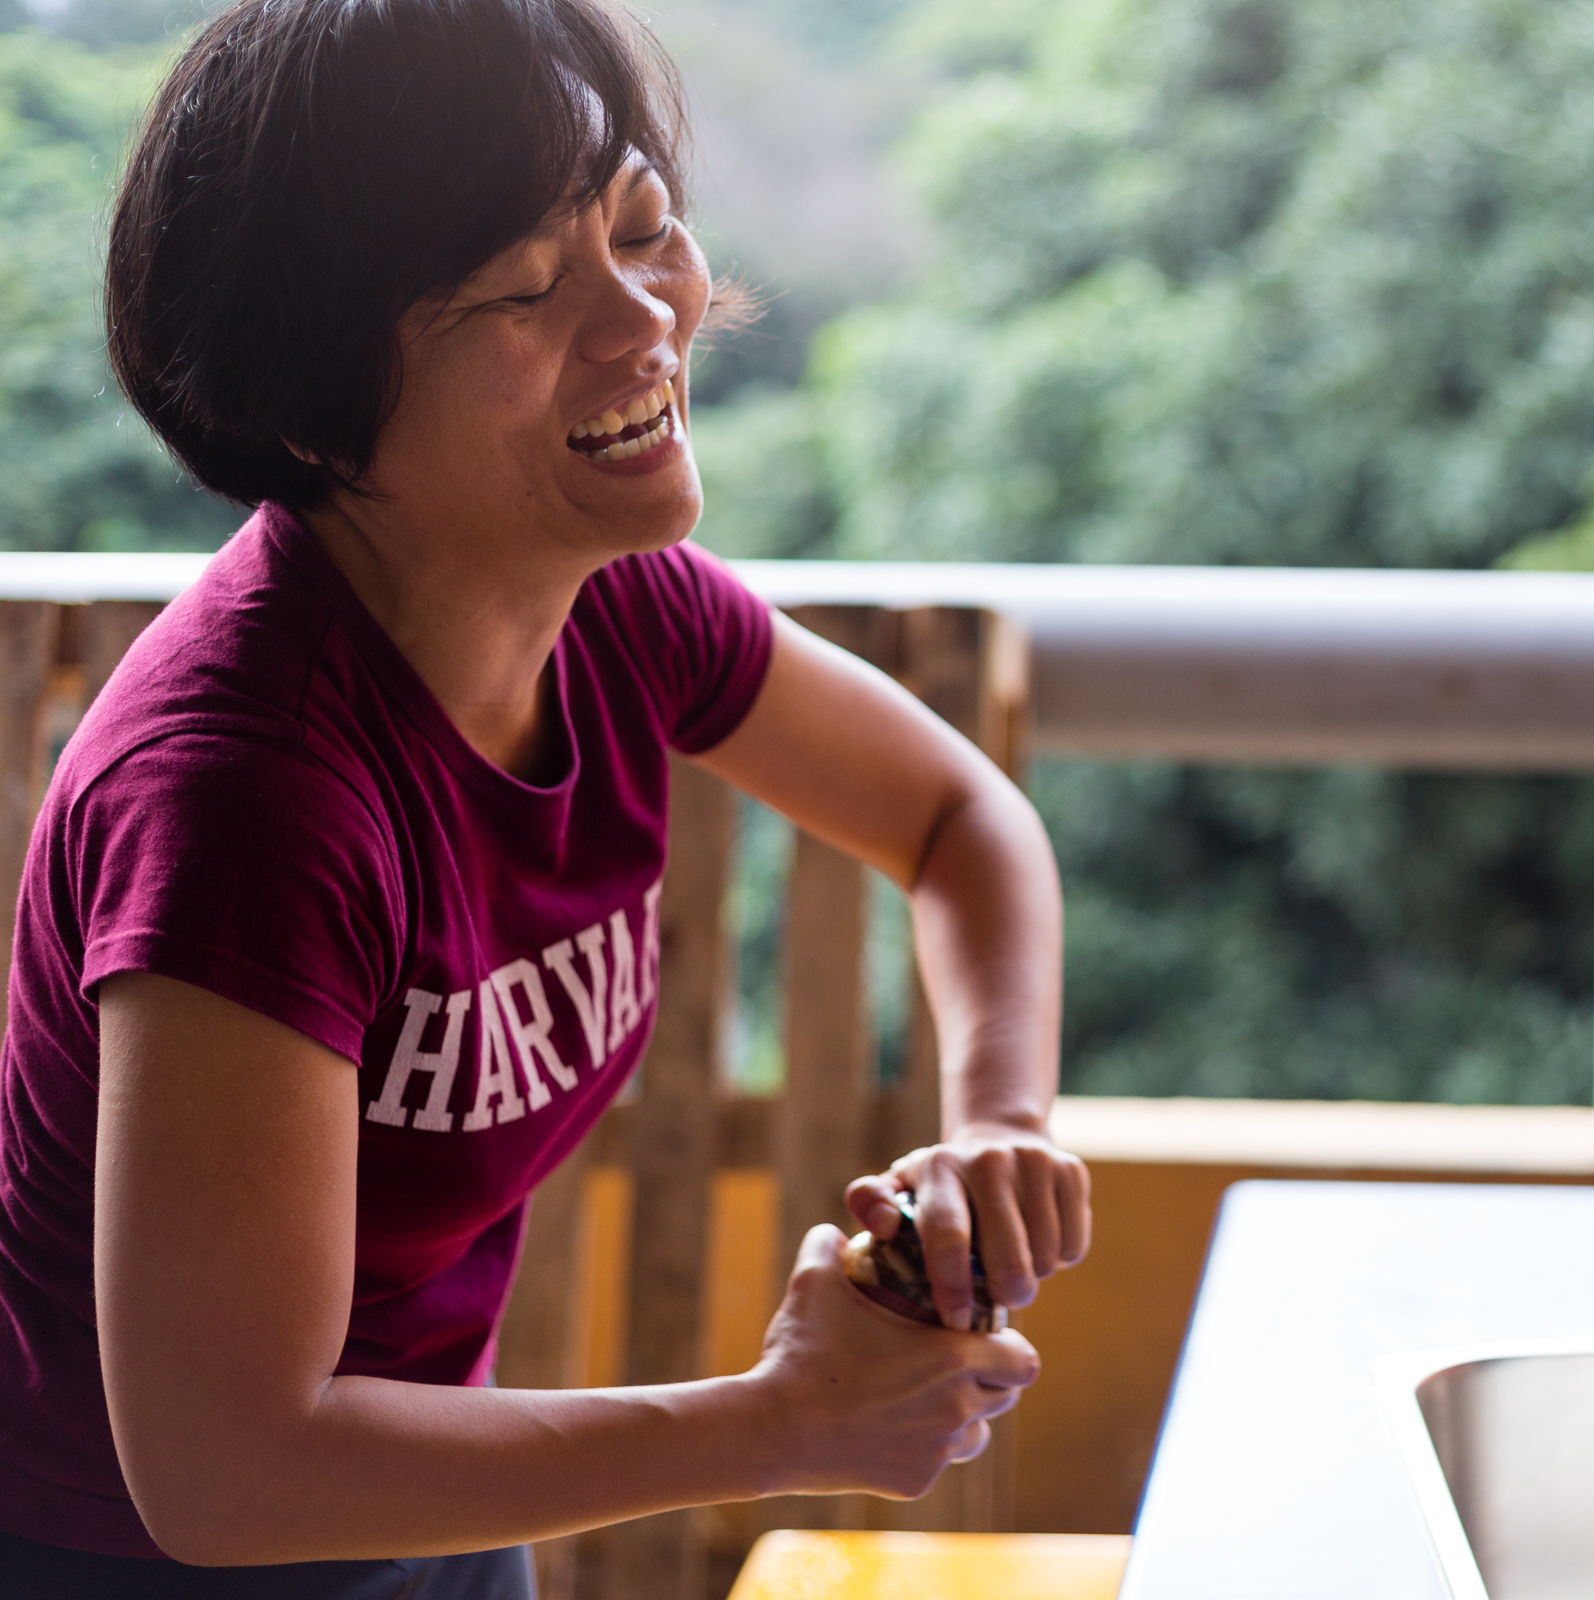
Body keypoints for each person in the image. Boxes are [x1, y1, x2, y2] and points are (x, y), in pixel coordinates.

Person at [0, 0, 1091, 1592]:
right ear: (305, 403)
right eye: (526, 289)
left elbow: (957, 822)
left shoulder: (613, 601)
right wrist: (778, 1424)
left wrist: (994, 1123)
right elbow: (225, 1472)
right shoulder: (248, 800)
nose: (645, 320)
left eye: (644, 227)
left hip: (430, 1492)